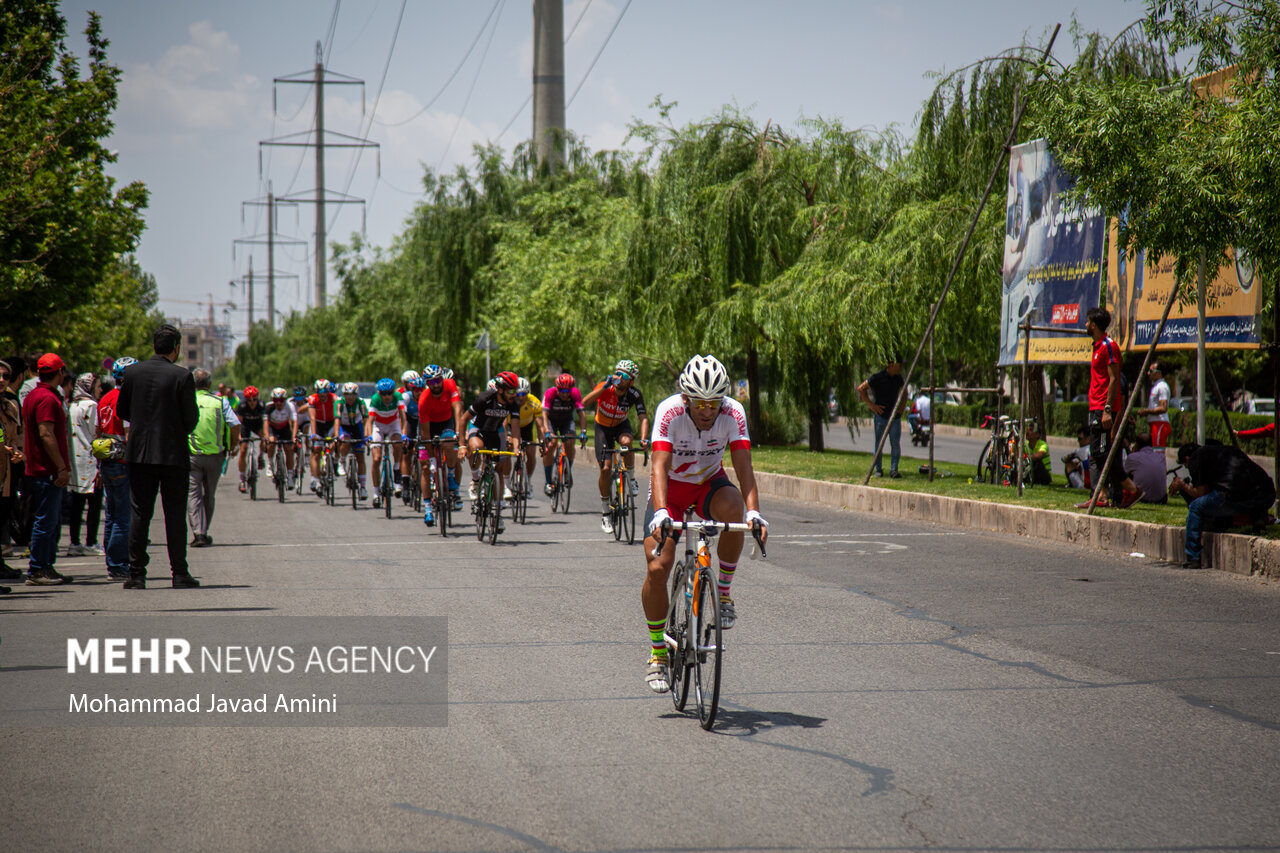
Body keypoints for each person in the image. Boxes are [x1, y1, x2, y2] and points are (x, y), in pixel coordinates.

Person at [641, 354, 768, 694]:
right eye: (700, 404)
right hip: (670, 489)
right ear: (686, 398)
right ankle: (657, 653)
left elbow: (743, 466)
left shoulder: (733, 413)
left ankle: (723, 593)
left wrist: (754, 513)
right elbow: (658, 465)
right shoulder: (668, 412)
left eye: (714, 403)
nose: (707, 411)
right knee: (658, 566)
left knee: (734, 508)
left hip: (709, 484)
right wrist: (661, 512)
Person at [117, 324, 200, 590]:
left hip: (139, 454)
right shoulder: (182, 376)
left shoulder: (132, 373)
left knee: (140, 513)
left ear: (154, 345)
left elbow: (123, 411)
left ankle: (136, 574)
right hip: (172, 454)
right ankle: (179, 573)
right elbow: (191, 419)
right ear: (176, 348)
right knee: (175, 514)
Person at [1170, 442, 1276, 569]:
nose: (1187, 467)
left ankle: (1193, 557)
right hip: (1266, 494)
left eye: (1185, 465)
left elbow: (1200, 493)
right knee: (1245, 492)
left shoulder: (1195, 458)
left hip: (1233, 496)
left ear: (1187, 459)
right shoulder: (1226, 451)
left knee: (1196, 507)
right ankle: (1259, 516)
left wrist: (1183, 486)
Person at [1078, 307, 1140, 509]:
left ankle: (1130, 488)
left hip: (1103, 408)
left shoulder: (1109, 346)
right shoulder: (1097, 347)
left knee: (1103, 453)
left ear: (1094, 325)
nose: (1086, 325)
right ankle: (1101, 495)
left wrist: (1106, 409)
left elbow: (1114, 380)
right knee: (1096, 452)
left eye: (1087, 322)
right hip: (1095, 406)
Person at [22, 353, 73, 585]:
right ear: (60, 372)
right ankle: (38, 569)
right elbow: (45, 433)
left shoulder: (35, 395)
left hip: (41, 468)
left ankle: (46, 566)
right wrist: (61, 466)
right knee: (45, 521)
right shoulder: (46, 399)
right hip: (47, 470)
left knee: (48, 521)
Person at [582, 359, 649, 534]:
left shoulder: (634, 394)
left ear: (631, 381)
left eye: (623, 375)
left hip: (621, 425)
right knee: (605, 469)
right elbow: (584, 402)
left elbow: (643, 418)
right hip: (602, 427)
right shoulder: (606, 385)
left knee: (627, 444)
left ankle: (631, 478)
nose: (618, 377)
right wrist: (604, 387)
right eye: (617, 372)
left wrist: (643, 439)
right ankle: (605, 512)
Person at [187, 368, 240, 547]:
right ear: (209, 385)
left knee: (193, 495)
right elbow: (235, 424)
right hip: (216, 456)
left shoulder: (187, 400)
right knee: (209, 495)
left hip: (191, 456)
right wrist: (233, 445)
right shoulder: (220, 402)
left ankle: (198, 533)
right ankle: (205, 531)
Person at [463, 371, 522, 529]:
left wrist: (516, 448)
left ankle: (497, 513)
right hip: (478, 429)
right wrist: (462, 445)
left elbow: (515, 428)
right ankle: (476, 481)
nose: (513, 394)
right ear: (500, 390)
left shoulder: (513, 403)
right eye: (510, 391)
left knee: (500, 469)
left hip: (495, 432)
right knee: (476, 448)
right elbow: (463, 419)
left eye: (515, 391)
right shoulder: (485, 398)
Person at [96, 356, 134, 579]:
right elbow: (129, 435)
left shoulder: (105, 398)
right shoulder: (127, 399)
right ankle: (119, 564)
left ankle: (112, 562)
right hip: (122, 460)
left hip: (107, 460)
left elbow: (97, 433)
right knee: (122, 516)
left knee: (111, 514)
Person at [417, 364, 464, 524]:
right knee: (424, 467)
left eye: (437, 381)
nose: (435, 385)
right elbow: (426, 433)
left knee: (449, 443)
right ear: (426, 384)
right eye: (431, 382)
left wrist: (458, 432)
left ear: (442, 379)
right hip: (429, 426)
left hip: (447, 422)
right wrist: (431, 461)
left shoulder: (450, 385)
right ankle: (428, 509)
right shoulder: (423, 400)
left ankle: (450, 475)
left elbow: (457, 408)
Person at [67, 372, 104, 556]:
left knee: (77, 504)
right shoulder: (91, 406)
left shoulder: (72, 405)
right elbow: (96, 434)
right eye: (97, 386)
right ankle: (91, 542)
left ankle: (74, 543)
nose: (100, 390)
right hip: (90, 460)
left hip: (74, 459)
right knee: (94, 504)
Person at [858, 355, 906, 478]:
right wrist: (871, 406)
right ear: (891, 365)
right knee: (879, 443)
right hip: (881, 416)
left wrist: (901, 407)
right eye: (899, 365)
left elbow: (905, 392)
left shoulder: (898, 378)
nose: (901, 367)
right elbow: (861, 388)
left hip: (894, 417)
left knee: (895, 443)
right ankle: (878, 469)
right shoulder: (877, 377)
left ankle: (894, 469)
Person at [541, 372, 587, 496]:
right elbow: (544, 414)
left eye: (567, 391)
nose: (564, 394)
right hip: (551, 421)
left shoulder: (575, 393)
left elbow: (581, 414)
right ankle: (548, 481)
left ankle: (567, 470)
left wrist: (583, 432)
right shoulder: (550, 393)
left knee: (570, 442)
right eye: (561, 390)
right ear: (557, 388)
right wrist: (546, 430)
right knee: (551, 445)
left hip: (566, 421)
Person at [367, 378, 407, 508]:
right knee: (376, 459)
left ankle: (396, 468)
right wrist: (368, 436)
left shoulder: (398, 396)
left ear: (393, 392)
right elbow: (369, 421)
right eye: (383, 394)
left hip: (393, 424)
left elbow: (403, 417)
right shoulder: (375, 399)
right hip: (378, 426)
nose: (387, 397)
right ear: (379, 393)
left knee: (397, 443)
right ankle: (376, 493)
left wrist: (404, 434)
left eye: (389, 393)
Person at [513, 376, 547, 499]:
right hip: (512, 427)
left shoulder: (534, 402)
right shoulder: (510, 402)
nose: (521, 397)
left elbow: (540, 426)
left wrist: (543, 442)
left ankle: (527, 480)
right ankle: (510, 480)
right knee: (511, 450)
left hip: (527, 427)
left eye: (523, 394)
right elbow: (504, 424)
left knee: (531, 454)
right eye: (518, 394)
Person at [335, 382, 369, 501]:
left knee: (360, 457)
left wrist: (367, 436)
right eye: (347, 395)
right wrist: (336, 436)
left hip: (357, 426)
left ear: (357, 395)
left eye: (353, 395)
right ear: (344, 395)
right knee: (346, 439)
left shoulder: (361, 403)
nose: (350, 397)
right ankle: (341, 461)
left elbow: (366, 420)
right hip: (344, 426)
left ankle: (363, 487)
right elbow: (337, 420)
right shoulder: (339, 403)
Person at [307, 379, 337, 494]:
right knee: (316, 450)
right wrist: (314, 434)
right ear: (316, 391)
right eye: (320, 391)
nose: (322, 394)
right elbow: (312, 418)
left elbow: (337, 417)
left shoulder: (334, 398)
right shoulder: (312, 399)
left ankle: (333, 462)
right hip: (318, 424)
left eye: (325, 391)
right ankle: (316, 479)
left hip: (330, 424)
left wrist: (335, 435)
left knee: (333, 443)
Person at [263, 386, 298, 484]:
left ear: (285, 400)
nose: (278, 403)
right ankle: (270, 464)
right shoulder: (269, 407)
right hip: (273, 428)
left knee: (289, 449)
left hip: (284, 427)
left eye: (281, 400)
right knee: (272, 442)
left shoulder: (290, 406)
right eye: (276, 400)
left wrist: (294, 437)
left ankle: (290, 475)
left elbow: (295, 423)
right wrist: (266, 438)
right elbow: (265, 424)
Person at [1122, 434, 1168, 503]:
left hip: (1140, 497)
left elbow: (1124, 475)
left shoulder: (1133, 457)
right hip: (1160, 499)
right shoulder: (1161, 457)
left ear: (1137, 444)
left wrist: (1129, 449)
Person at [1135, 362, 1172, 447]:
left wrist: (1147, 411)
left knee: (1158, 452)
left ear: (1159, 373)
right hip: (1155, 423)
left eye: (1151, 371)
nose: (1148, 373)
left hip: (1160, 423)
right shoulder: (1156, 386)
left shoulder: (1162, 387)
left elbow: (1163, 408)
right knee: (1155, 451)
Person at [237, 385, 265, 493]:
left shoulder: (261, 405)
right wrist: (239, 437)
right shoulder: (242, 406)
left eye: (254, 400)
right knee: (243, 449)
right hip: (246, 425)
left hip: (258, 425)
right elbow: (239, 423)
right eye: (249, 400)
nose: (252, 402)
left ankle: (261, 457)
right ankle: (242, 479)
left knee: (264, 439)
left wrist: (265, 437)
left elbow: (265, 422)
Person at [1024, 422, 1053, 486]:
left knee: (1036, 461)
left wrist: (1025, 457)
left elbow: (1039, 455)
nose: (1027, 432)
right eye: (1027, 430)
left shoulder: (1042, 444)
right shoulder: (1025, 444)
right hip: (1031, 472)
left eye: (1031, 430)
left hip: (1044, 475)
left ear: (1037, 435)